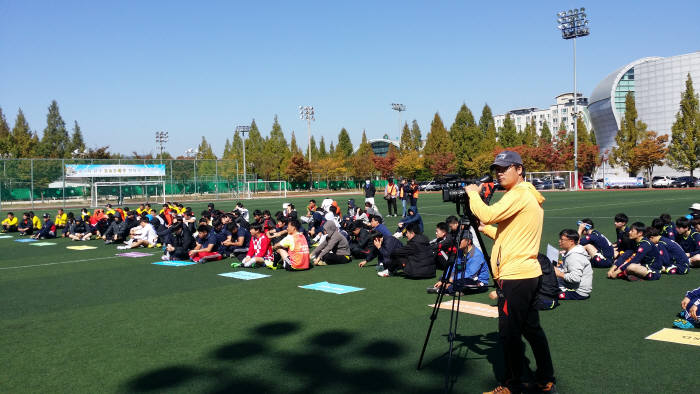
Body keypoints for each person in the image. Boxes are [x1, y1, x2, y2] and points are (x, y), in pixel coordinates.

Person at [464, 150, 556, 394]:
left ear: (519, 169)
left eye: (505, 168)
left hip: (515, 276)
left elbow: (488, 213)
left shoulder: (519, 193)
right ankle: (545, 377)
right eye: (497, 168)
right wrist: (487, 230)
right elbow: (513, 236)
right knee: (531, 329)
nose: (500, 172)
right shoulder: (527, 195)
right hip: (526, 273)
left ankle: (511, 385)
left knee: (509, 334)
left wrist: (473, 195)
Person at [428, 229, 489, 294]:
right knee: (444, 277)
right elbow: (454, 266)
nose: (458, 241)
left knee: (459, 283)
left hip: (478, 281)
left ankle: (444, 290)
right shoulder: (460, 251)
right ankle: (449, 288)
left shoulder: (477, 255)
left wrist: (452, 278)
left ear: (468, 241)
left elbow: (470, 273)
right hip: (464, 277)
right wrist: (445, 278)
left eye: (460, 239)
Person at [554, 229, 592, 300]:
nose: (559, 241)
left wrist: (559, 273)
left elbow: (575, 278)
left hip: (577, 292)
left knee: (547, 292)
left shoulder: (574, 257)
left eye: (562, 240)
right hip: (570, 285)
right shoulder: (573, 251)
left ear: (571, 241)